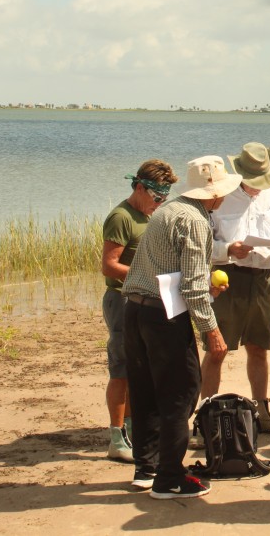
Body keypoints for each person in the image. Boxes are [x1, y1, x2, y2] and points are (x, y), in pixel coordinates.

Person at [121, 155, 241, 499]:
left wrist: (204, 288)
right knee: (181, 394)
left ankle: (146, 468)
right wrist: (212, 331)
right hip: (163, 317)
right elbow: (190, 286)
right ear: (214, 193)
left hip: (136, 311)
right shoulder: (195, 221)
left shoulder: (167, 210)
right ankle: (170, 478)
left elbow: (169, 270)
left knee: (145, 394)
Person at [201, 142, 270, 432]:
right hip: (227, 278)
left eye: (262, 181)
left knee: (259, 346)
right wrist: (229, 249)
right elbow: (203, 244)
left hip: (263, 279)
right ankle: (208, 412)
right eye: (253, 182)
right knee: (217, 348)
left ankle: (262, 409)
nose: (257, 187)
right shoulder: (220, 196)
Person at [100, 160, 178, 463]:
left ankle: (134, 428)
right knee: (121, 369)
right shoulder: (121, 217)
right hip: (121, 300)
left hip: (145, 299)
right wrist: (144, 277)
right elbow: (109, 265)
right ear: (140, 187)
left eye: (165, 198)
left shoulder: (151, 214)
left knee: (140, 369)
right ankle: (116, 437)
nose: (159, 204)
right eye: (156, 197)